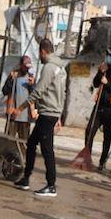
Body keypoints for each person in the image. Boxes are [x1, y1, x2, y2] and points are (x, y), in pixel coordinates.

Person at [13, 38, 66, 197]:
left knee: (47, 149)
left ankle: (51, 185)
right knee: (31, 143)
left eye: (39, 53)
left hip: (48, 112)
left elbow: (38, 92)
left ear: (43, 51)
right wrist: (60, 114)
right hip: (52, 112)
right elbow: (62, 93)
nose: (39, 56)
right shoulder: (61, 68)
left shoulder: (49, 68)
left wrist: (21, 107)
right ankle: (26, 178)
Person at [91, 50, 111, 171]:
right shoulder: (105, 68)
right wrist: (100, 73)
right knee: (90, 130)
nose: (107, 59)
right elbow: (95, 84)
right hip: (99, 106)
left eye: (110, 57)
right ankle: (87, 156)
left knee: (107, 136)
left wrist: (107, 83)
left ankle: (102, 162)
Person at [2, 55, 34, 148]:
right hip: (13, 114)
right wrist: (10, 81)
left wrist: (32, 85)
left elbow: (34, 96)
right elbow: (4, 91)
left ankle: (22, 160)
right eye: (25, 67)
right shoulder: (14, 75)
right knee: (8, 140)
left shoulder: (30, 77)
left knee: (23, 143)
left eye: (28, 67)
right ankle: (6, 161)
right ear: (20, 65)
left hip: (25, 116)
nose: (26, 69)